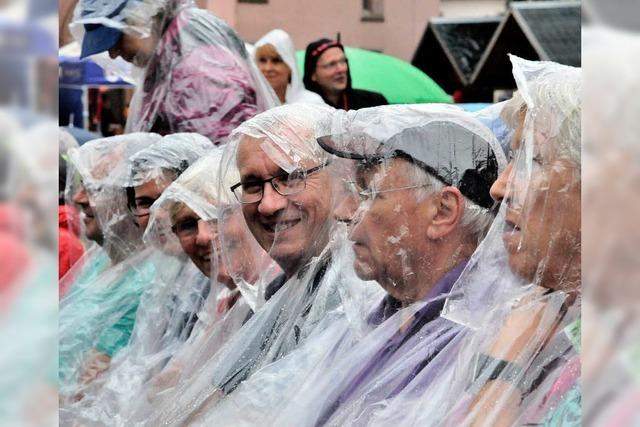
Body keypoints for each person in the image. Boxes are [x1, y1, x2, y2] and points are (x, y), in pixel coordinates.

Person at [71, 0, 278, 144]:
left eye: (116, 40)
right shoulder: (170, 58)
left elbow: (220, 158)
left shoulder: (197, 69)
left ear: (142, 19)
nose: (114, 54)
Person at [303, 37, 388, 110]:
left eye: (343, 61)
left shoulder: (374, 103)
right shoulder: (303, 108)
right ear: (313, 74)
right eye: (331, 64)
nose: (341, 69)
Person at [254, 29, 325, 105]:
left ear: (290, 66)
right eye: (262, 60)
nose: (268, 68)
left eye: (276, 60)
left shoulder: (311, 103)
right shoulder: (249, 104)